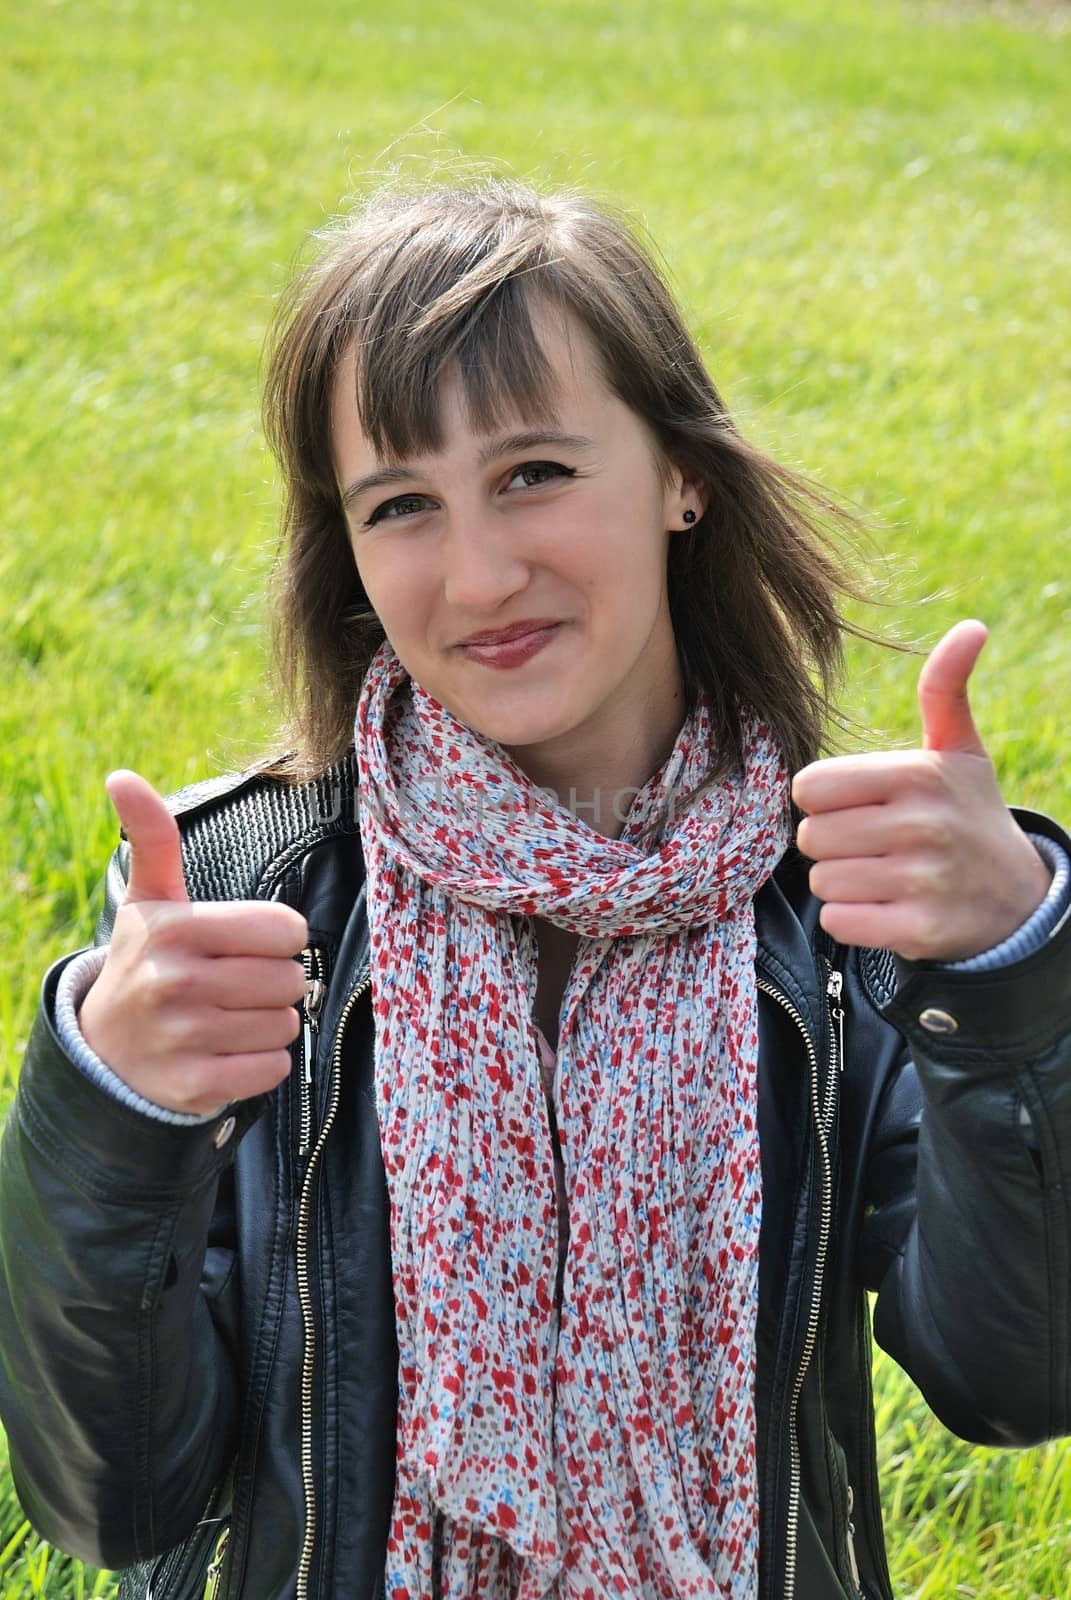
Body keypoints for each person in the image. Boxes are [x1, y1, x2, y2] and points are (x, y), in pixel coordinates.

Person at [0, 180, 1068, 1600]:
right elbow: (105, 1496)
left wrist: (1012, 984)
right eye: (402, 505)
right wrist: (113, 1119)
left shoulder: (842, 900)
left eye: (535, 474)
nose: (480, 574)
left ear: (684, 473)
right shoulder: (240, 910)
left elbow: (1021, 1375)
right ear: (352, 555)